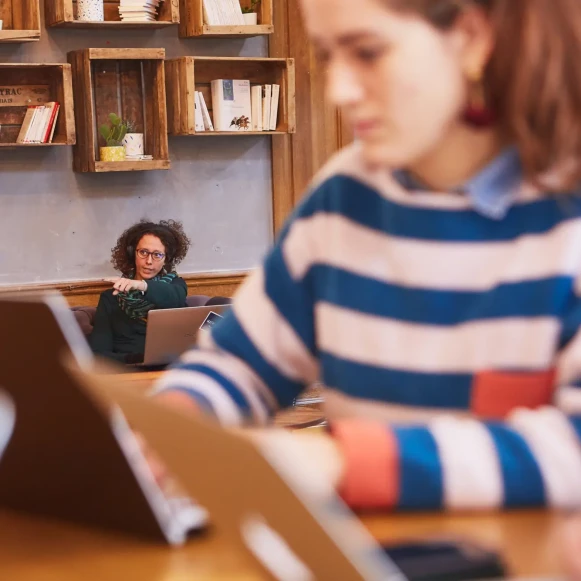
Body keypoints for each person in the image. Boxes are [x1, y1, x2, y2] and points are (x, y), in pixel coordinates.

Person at [149, 0, 581, 512]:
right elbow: (240, 364)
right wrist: (169, 426)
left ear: (470, 37)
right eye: (330, 56)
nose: (339, 91)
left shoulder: (565, 219)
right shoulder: (342, 196)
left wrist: (346, 462)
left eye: (368, 53)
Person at [89, 220, 191, 364]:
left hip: (169, 371)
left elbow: (174, 297)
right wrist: (135, 360)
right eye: (143, 252)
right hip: (129, 372)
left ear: (166, 259)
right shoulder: (110, 298)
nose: (149, 261)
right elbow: (98, 354)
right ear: (133, 254)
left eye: (157, 255)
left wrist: (141, 285)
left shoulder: (176, 287)